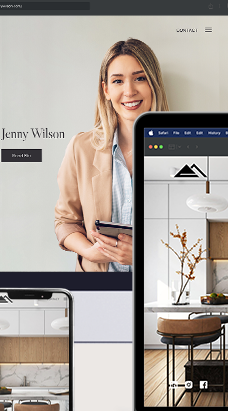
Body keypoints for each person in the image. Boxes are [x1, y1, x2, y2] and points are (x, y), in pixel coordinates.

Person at [54, 38, 169, 272]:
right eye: (118, 81)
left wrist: (143, 255)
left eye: (140, 78)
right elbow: (65, 222)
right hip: (97, 286)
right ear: (106, 90)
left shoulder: (184, 149)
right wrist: (89, 252)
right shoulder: (81, 148)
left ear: (153, 84)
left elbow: (192, 230)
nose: (129, 91)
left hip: (154, 285)